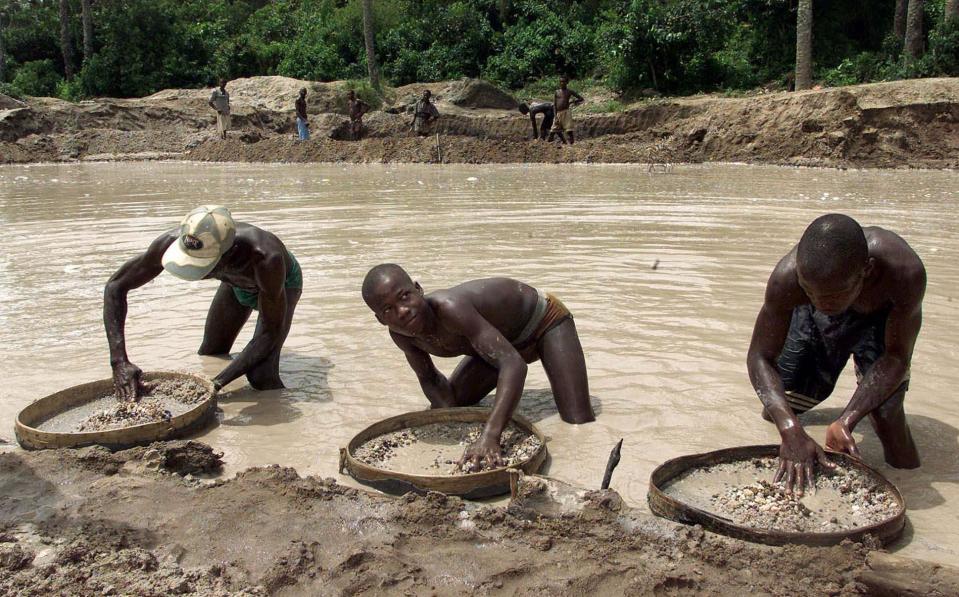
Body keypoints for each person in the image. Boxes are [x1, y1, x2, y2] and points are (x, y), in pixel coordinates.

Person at [747, 214, 924, 496]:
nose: (821, 302)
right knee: (779, 408)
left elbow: (897, 357)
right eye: (809, 292)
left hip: (880, 322)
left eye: (834, 295)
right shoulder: (787, 279)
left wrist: (847, 421)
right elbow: (760, 357)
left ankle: (911, 487)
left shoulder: (904, 272)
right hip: (817, 323)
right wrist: (790, 428)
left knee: (888, 417)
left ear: (867, 270)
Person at [362, 265, 595, 469]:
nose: (402, 311)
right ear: (380, 320)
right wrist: (450, 428)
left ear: (418, 289)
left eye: (404, 296)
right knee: (454, 404)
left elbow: (514, 365)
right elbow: (430, 379)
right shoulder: (402, 335)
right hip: (500, 343)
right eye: (388, 310)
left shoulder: (449, 308)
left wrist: (490, 436)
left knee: (577, 421)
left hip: (543, 322)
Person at [104, 205, 302, 398]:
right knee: (211, 353)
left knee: (261, 377)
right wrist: (119, 362)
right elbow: (115, 286)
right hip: (235, 285)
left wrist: (215, 384)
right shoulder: (172, 242)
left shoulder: (266, 257)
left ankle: (283, 407)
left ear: (229, 252)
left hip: (280, 285)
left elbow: (269, 332)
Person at [548, 76, 584, 145]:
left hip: (566, 112)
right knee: (552, 130)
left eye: (563, 81)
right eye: (561, 81)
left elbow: (581, 98)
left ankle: (571, 145)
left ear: (567, 82)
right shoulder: (557, 92)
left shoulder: (569, 91)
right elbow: (554, 105)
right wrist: (555, 116)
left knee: (569, 131)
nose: (562, 83)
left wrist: (572, 102)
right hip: (558, 113)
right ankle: (547, 146)